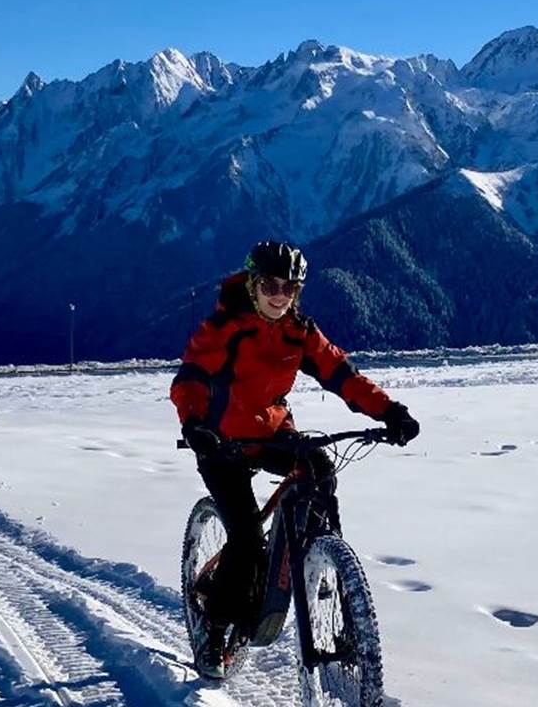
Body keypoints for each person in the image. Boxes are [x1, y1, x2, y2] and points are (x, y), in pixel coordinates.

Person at [171, 240, 419, 679]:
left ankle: (321, 558)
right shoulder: (224, 328)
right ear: (251, 284)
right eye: (270, 284)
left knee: (319, 469)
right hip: (220, 441)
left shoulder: (299, 332)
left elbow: (342, 374)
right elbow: (190, 379)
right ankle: (214, 625)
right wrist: (194, 426)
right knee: (247, 542)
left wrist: (389, 411)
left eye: (289, 287)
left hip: (270, 432)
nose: (279, 295)